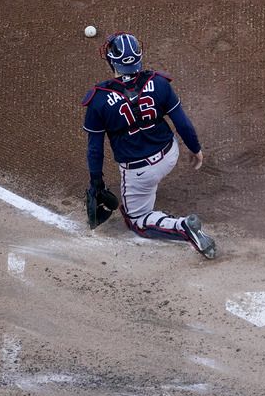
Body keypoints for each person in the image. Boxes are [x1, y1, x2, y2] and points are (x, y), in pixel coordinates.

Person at [81, 31, 216, 259]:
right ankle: (147, 193)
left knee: (136, 220)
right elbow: (182, 123)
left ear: (112, 61)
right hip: (169, 155)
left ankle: (184, 228)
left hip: (140, 172)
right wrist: (195, 149)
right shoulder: (159, 83)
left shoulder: (99, 99)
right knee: (150, 178)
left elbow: (95, 150)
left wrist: (96, 183)